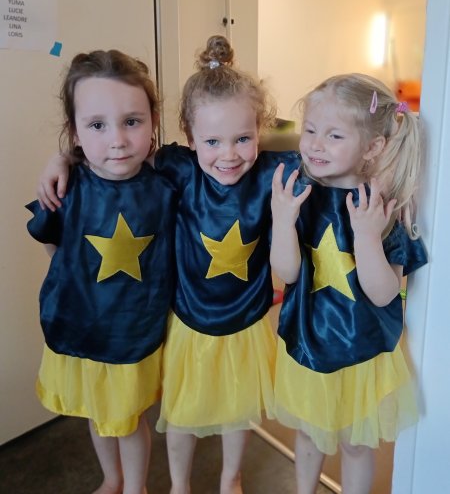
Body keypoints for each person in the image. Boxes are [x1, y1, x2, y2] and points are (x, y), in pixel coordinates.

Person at [36, 35, 306, 494]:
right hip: (162, 321)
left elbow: (314, 155)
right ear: (188, 135)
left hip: (225, 320)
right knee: (141, 413)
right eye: (213, 140)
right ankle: (138, 482)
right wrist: (62, 156)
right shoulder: (168, 170)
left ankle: (224, 477)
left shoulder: (202, 174)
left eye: (243, 138)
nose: (228, 153)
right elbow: (58, 238)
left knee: (230, 406)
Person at [26, 50, 177, 494]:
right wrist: (62, 160)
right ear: (74, 132)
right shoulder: (66, 187)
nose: (118, 140)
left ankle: (135, 487)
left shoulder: (167, 186)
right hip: (81, 328)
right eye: (97, 125)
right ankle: (112, 479)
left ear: (153, 122)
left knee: (127, 420)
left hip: (133, 333)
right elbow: (52, 243)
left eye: (132, 121)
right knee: (98, 413)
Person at [270, 73, 427, 494]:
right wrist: (283, 221)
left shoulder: (383, 207)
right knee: (309, 432)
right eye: (310, 130)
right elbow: (287, 273)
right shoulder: (299, 193)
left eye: (334, 135)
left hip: (361, 350)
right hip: (309, 340)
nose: (315, 145)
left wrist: (368, 237)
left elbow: (385, 292)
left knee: (357, 444)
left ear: (372, 147)